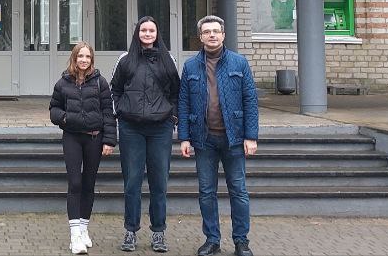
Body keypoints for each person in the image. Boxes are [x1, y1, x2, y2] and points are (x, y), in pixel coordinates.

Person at [178, 16, 259, 256]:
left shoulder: (239, 63)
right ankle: (212, 240)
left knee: (239, 191)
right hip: (204, 139)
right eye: (207, 32)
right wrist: (184, 137)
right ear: (200, 37)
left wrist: (251, 136)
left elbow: (250, 100)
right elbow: (183, 103)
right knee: (206, 192)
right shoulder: (191, 66)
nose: (212, 35)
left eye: (216, 31)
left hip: (234, 138)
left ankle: (241, 241)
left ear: (223, 35)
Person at [110, 16, 180, 253]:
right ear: (137, 33)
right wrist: (120, 112)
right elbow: (114, 90)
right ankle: (130, 230)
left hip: (160, 129)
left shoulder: (168, 59)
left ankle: (158, 232)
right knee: (132, 182)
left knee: (159, 182)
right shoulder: (125, 59)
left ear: (157, 33)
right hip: (131, 128)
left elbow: (176, 92)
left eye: (151, 30)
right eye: (143, 30)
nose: (147, 34)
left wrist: (173, 117)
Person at [50, 41, 117, 255]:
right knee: (75, 183)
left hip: (94, 139)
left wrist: (109, 140)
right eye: (80, 56)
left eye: (88, 57)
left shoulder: (100, 83)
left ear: (92, 60)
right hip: (72, 137)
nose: (84, 60)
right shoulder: (63, 83)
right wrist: (64, 117)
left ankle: (84, 228)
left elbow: (108, 113)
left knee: (88, 184)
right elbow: (53, 109)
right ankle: (75, 235)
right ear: (74, 58)